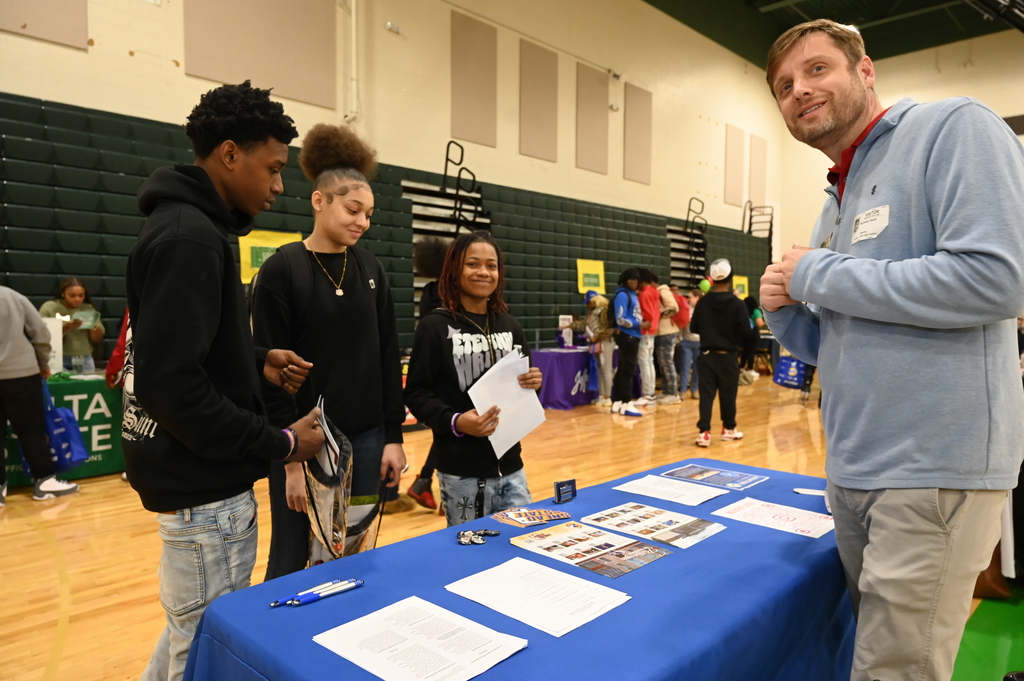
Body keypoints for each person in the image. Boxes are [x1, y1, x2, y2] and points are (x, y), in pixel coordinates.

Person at [760, 19, 1024, 681]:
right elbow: (840, 340)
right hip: (853, 468)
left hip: (933, 468)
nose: (799, 90)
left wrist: (815, 274)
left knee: (894, 671)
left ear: (865, 70)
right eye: (784, 85)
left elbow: (995, 278)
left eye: (817, 69)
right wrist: (785, 312)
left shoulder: (954, 126)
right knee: (879, 659)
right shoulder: (835, 195)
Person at [122, 81, 324, 681]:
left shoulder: (194, 228)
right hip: (203, 493)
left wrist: (252, 358)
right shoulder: (189, 237)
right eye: (274, 169)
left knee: (190, 631)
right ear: (230, 154)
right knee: (203, 646)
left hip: (196, 486)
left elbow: (184, 348)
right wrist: (283, 443)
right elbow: (172, 387)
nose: (279, 186)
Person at [251, 123, 406, 578]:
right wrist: (291, 459)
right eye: (353, 209)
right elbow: (271, 374)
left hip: (367, 438)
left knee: (354, 552)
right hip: (306, 442)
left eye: (369, 214)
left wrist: (393, 436)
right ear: (319, 201)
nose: (362, 221)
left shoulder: (372, 268)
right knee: (293, 557)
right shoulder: (282, 269)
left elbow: (386, 356)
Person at [404, 230, 543, 527]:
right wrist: (456, 421)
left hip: (512, 467)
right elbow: (416, 394)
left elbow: (526, 395)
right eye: (473, 264)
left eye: (491, 266)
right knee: (471, 557)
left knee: (521, 545)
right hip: (460, 472)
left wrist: (534, 384)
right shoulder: (434, 327)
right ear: (455, 269)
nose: (483, 272)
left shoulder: (511, 326)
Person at [0, 286, 80, 504]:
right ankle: (44, 481)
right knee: (31, 429)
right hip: (21, 373)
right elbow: (41, 331)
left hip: (20, 372)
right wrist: (43, 363)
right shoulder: (11, 296)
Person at [407, 235, 452, 510]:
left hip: (434, 370)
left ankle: (423, 482)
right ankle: (427, 483)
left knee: (445, 431)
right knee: (451, 431)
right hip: (450, 371)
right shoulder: (452, 294)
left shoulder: (427, 293)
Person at [689, 259, 754, 447]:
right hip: (728, 356)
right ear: (730, 279)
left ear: (712, 279)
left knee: (706, 394)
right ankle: (728, 429)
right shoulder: (737, 304)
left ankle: (704, 433)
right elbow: (746, 332)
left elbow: (694, 327)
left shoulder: (702, 303)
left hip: (706, 355)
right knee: (728, 393)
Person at [38, 277, 105, 373]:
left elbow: (97, 339)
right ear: (63, 293)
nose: (77, 299)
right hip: (58, 358)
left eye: (81, 295)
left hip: (84, 359)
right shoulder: (49, 308)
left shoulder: (89, 309)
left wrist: (92, 325)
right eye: (72, 295)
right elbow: (42, 336)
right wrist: (67, 327)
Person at [561, 290, 615, 406]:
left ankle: (608, 396)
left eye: (588, 303)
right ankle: (601, 396)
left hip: (605, 342)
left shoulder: (604, 311)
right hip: (596, 343)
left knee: (606, 370)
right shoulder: (592, 314)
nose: (587, 305)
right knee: (600, 369)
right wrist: (569, 326)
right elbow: (582, 325)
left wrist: (597, 337)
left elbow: (610, 329)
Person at [609, 268, 647, 417]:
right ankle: (626, 402)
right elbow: (620, 319)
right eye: (630, 279)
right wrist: (640, 324)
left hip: (632, 336)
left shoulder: (632, 295)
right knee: (629, 370)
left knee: (623, 368)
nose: (633, 282)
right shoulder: (623, 295)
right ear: (625, 280)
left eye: (635, 280)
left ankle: (617, 401)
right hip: (627, 336)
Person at [634, 268, 660, 406]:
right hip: (653, 331)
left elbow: (647, 316)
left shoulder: (645, 294)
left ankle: (648, 394)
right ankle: (651, 393)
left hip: (645, 331)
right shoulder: (654, 292)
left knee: (645, 363)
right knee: (649, 362)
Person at [653, 279, 681, 404]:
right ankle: (665, 391)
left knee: (667, 363)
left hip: (667, 332)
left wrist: (657, 314)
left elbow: (674, 308)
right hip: (661, 332)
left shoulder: (663, 291)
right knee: (663, 363)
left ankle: (673, 393)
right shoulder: (658, 292)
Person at [674, 288, 702, 399]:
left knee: (697, 368)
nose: (688, 299)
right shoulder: (686, 309)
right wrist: (680, 339)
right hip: (686, 341)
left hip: (699, 342)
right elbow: (681, 323)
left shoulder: (703, 310)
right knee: (684, 367)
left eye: (690, 297)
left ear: (697, 298)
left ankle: (695, 389)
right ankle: (683, 390)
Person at [739, 295, 765, 384]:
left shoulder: (743, 311)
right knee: (751, 352)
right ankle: (750, 369)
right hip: (754, 333)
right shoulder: (756, 311)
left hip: (744, 333)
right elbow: (759, 323)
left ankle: (741, 368)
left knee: (744, 351)